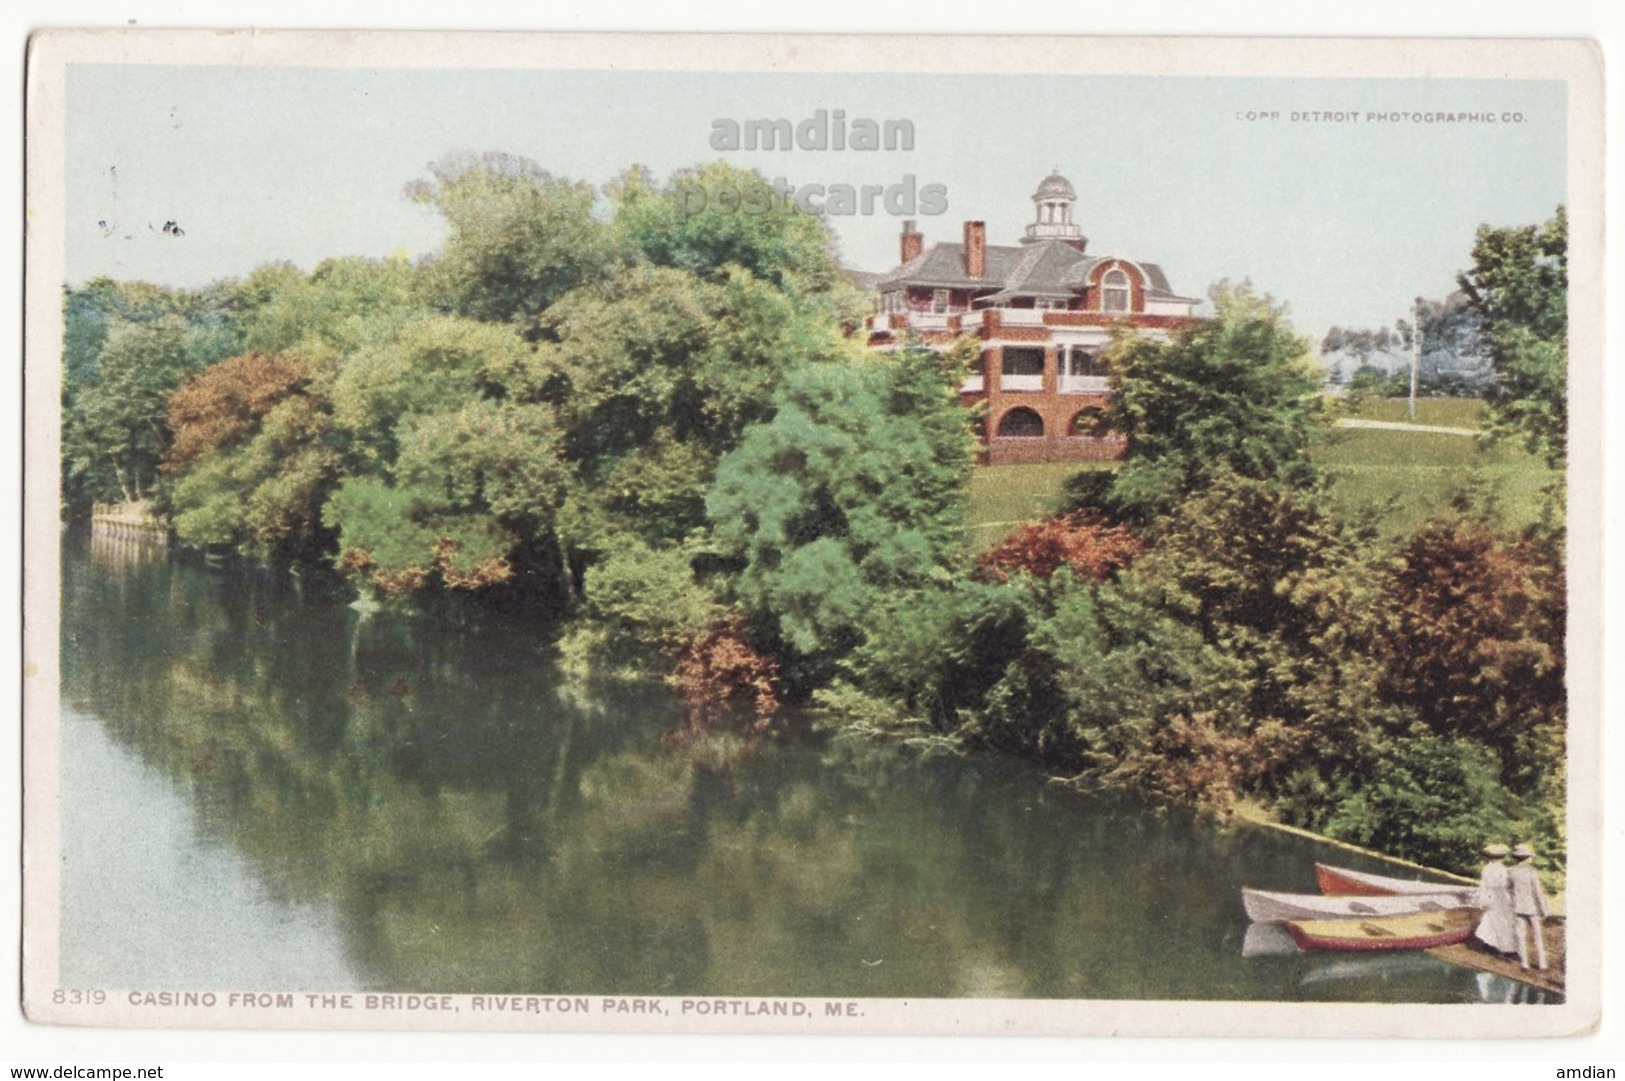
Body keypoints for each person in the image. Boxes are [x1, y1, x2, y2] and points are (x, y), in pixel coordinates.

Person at [1508, 843, 1552, 971]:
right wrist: (1544, 909)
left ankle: (1524, 963)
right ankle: (1542, 963)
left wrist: (1513, 899)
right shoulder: (1532, 872)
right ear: (1527, 858)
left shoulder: (1511, 871)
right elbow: (1538, 892)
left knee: (1521, 935)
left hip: (1517, 906)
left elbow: (1508, 888)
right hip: (1532, 907)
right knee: (1537, 935)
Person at [1471, 842, 1517, 956]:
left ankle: (1489, 943)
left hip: (1490, 894)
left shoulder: (1486, 868)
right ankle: (1504, 947)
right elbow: (1504, 884)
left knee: (1491, 918)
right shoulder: (1504, 870)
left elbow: (1484, 884)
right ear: (1502, 857)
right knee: (1503, 919)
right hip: (1499, 894)